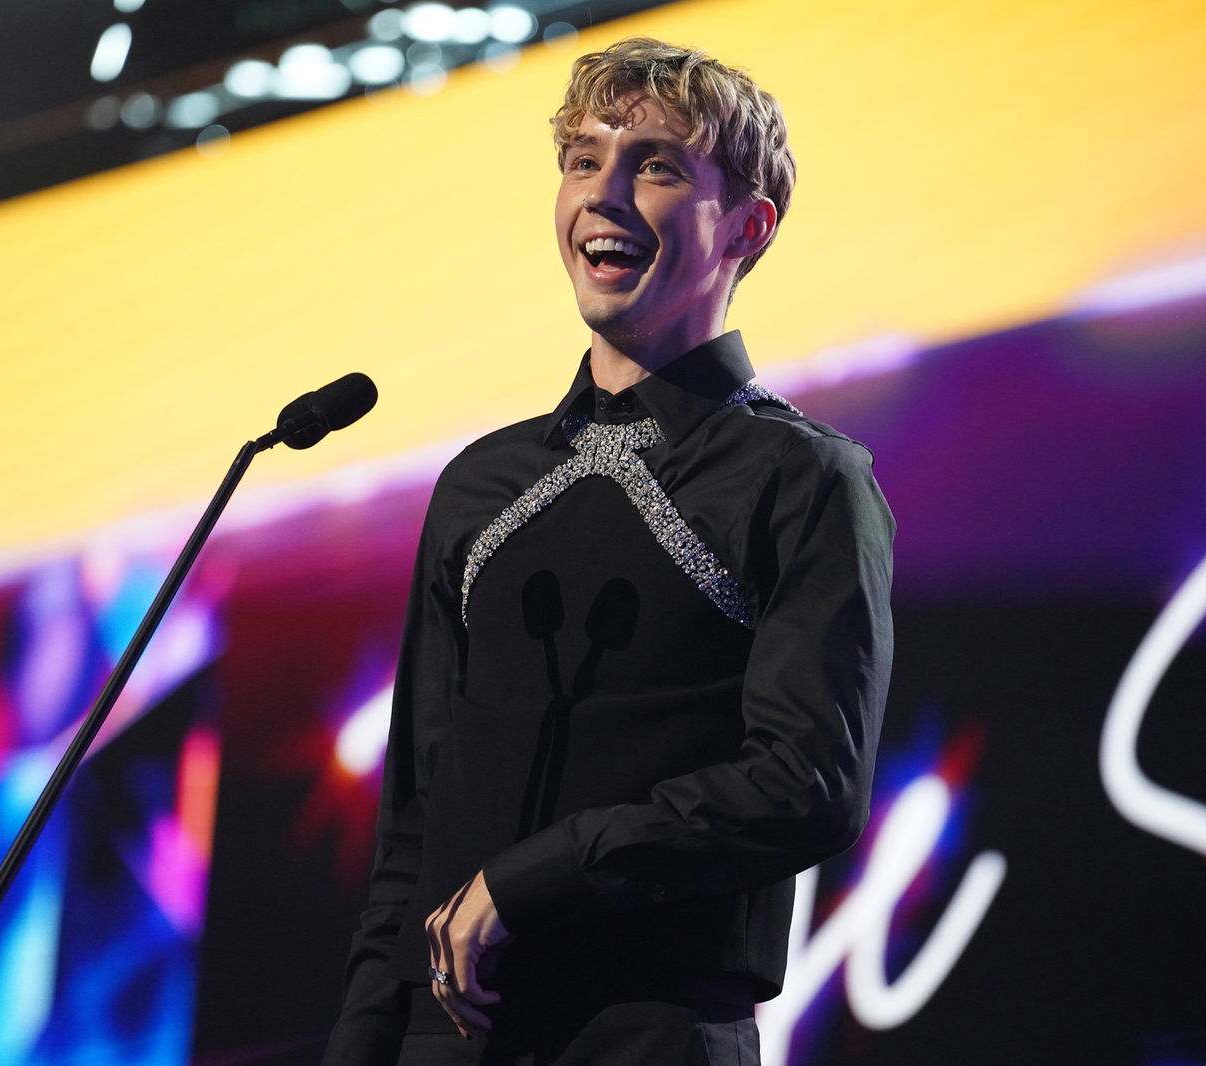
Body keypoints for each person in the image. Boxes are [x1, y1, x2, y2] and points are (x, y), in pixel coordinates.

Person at [324, 37, 894, 1066]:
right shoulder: (481, 486)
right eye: (583, 159)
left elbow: (806, 782)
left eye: (658, 166)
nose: (605, 194)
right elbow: (413, 817)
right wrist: (364, 1039)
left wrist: (529, 881)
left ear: (747, 227)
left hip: (647, 1034)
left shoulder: (800, 477)